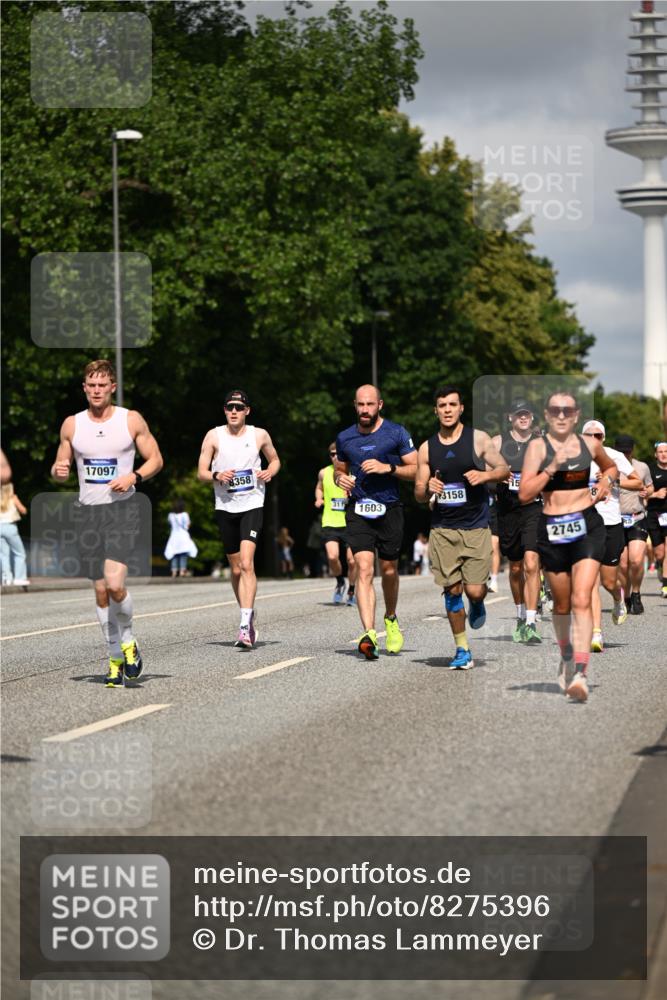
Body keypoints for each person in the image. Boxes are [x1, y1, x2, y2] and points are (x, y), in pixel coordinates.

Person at [51, 359, 163, 687]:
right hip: (87, 514)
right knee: (100, 591)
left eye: (103, 385)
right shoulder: (72, 425)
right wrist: (57, 472)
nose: (97, 391)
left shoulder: (130, 420)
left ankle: (128, 642)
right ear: (84, 388)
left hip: (122, 512)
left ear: (112, 387)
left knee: (115, 585)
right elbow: (61, 464)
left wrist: (134, 476)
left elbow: (156, 458)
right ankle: (114, 656)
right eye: (91, 385)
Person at [519, 392, 617, 702]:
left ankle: (581, 673)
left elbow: (611, 467)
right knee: (561, 605)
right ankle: (566, 656)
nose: (561, 416)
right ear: (547, 415)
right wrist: (551, 468)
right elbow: (524, 494)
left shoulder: (590, 444)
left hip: (587, 526)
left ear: (575, 416)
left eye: (568, 411)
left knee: (581, 598)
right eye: (555, 411)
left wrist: (605, 484)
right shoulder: (538, 447)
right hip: (552, 530)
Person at [415, 385, 510, 669]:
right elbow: (419, 493)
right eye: (442, 405)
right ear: (436, 410)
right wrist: (426, 487)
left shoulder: (478, 439)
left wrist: (485, 475)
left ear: (461, 409)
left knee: (475, 591)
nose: (447, 410)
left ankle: (478, 604)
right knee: (452, 590)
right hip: (442, 529)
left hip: (476, 527)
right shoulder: (426, 448)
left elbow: (505, 470)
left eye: (452, 405)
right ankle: (462, 649)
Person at [335, 384, 417, 660]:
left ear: (379, 405)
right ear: (355, 405)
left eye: (370, 404)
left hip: (390, 508)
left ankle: (391, 618)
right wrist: (340, 479)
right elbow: (340, 470)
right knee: (364, 568)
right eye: (361, 405)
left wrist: (388, 468)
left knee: (390, 570)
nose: (365, 410)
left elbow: (417, 469)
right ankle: (368, 634)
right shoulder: (345, 438)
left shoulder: (396, 433)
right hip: (359, 508)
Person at [198, 389, 280, 649]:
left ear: (247, 411)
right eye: (229, 407)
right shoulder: (214, 436)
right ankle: (248, 611)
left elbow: (275, 460)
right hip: (225, 506)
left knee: (246, 564)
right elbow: (201, 471)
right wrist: (216, 475)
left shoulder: (259, 435)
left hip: (252, 503)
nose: (234, 411)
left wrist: (269, 472)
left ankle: (244, 624)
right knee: (235, 569)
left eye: (238, 407)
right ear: (224, 410)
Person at [582, 420, 642, 653]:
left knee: (608, 581)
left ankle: (618, 599)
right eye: (589, 434)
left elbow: (637, 481)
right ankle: (596, 632)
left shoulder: (614, 456)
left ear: (603, 438)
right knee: (590, 582)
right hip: (585, 523)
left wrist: (614, 480)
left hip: (610, 523)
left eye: (598, 435)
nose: (594, 438)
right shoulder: (575, 458)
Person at [492, 400, 543, 643]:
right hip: (507, 510)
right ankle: (521, 614)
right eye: (518, 414)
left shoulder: (542, 443)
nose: (523, 418)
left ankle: (532, 622)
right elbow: (482, 470)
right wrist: (498, 477)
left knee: (532, 563)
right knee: (515, 568)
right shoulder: (498, 442)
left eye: (527, 414)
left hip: (533, 508)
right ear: (510, 417)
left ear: (532, 418)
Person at [314, 443, 357, 604]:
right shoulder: (324, 473)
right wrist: (319, 498)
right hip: (330, 521)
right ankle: (340, 581)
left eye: (338, 454)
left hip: (351, 522)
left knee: (352, 561)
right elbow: (319, 488)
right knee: (332, 557)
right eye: (332, 454)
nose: (335, 457)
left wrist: (352, 495)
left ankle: (352, 589)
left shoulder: (353, 471)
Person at [616, 433, 654, 614]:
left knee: (636, 560)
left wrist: (648, 493)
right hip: (617, 519)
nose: (624, 454)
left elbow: (650, 486)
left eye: (627, 451)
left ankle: (636, 593)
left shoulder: (642, 467)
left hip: (637, 517)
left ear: (632, 450)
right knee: (623, 564)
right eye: (621, 451)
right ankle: (626, 597)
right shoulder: (609, 468)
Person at [0, 449, 30, 588]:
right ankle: (20, 578)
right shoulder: (12, 496)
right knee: (19, 553)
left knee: (3, 554)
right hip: (10, 527)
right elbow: (23, 510)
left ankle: (6, 578)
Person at [646, 440, 667, 597]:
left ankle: (666, 584)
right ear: (655, 455)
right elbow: (642, 493)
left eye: (666, 451)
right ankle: (661, 566)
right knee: (660, 553)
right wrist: (656, 494)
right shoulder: (650, 471)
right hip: (653, 514)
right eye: (660, 451)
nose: (663, 454)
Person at [164, 498, 197, 578]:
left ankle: (174, 571)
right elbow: (187, 526)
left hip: (174, 537)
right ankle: (182, 571)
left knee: (174, 554)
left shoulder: (170, 515)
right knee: (183, 554)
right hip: (183, 536)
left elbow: (169, 524)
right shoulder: (185, 515)